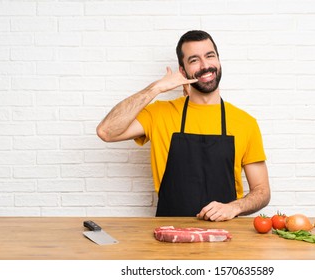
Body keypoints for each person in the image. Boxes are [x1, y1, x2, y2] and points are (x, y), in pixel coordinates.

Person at [97, 30, 270, 221]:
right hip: (169, 235)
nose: (205, 65)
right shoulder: (159, 113)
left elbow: (262, 191)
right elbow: (106, 131)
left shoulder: (245, 122)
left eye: (210, 56)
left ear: (219, 61)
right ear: (182, 71)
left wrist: (234, 207)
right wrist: (156, 88)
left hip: (224, 236)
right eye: (194, 60)